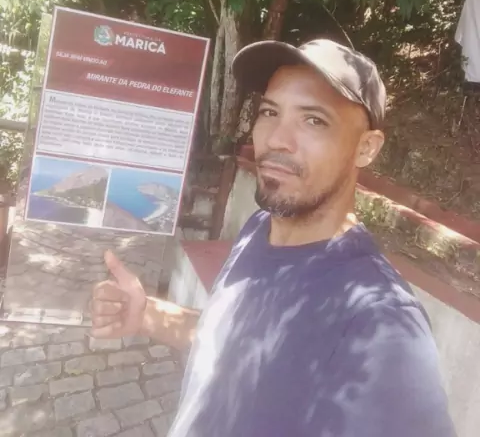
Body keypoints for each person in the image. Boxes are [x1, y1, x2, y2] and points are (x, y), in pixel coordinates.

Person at [91, 39, 456, 437]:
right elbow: (234, 340)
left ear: (366, 148)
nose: (277, 139)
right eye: (269, 112)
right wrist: (147, 315)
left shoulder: (379, 320)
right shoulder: (259, 228)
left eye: (313, 120)